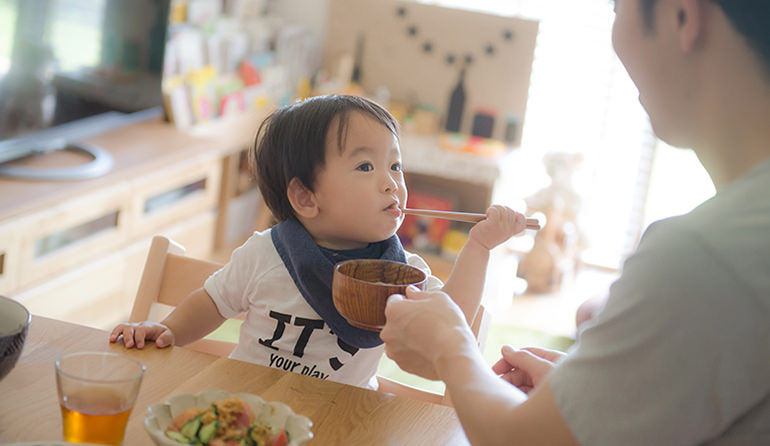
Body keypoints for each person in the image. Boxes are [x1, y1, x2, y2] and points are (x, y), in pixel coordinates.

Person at [380, 0, 770, 444]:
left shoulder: (706, 255)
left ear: (682, 16)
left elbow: (523, 439)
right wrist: (601, 391)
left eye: (617, 10)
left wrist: (451, 346)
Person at [110, 95, 527, 389]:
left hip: (341, 422)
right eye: (366, 166)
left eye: (395, 164)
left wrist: (479, 248)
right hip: (248, 406)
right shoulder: (265, 254)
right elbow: (212, 302)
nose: (392, 183)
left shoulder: (401, 274)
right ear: (306, 197)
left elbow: (448, 323)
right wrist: (166, 331)